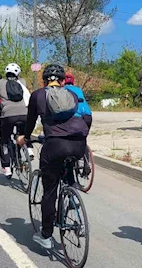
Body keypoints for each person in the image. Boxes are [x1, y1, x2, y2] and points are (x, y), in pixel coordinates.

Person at [17, 64, 89, 250]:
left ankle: (46, 236)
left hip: (55, 145)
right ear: (63, 81)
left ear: (43, 80)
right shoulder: (71, 94)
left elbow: (31, 121)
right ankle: (72, 196)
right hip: (79, 144)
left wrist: (26, 138)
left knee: (50, 190)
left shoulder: (38, 95)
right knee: (67, 169)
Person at [0, 63, 33, 178]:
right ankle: (29, 149)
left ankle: (6, 167)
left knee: (4, 140)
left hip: (8, 116)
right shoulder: (22, 82)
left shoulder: (0, 83)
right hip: (25, 114)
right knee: (24, 134)